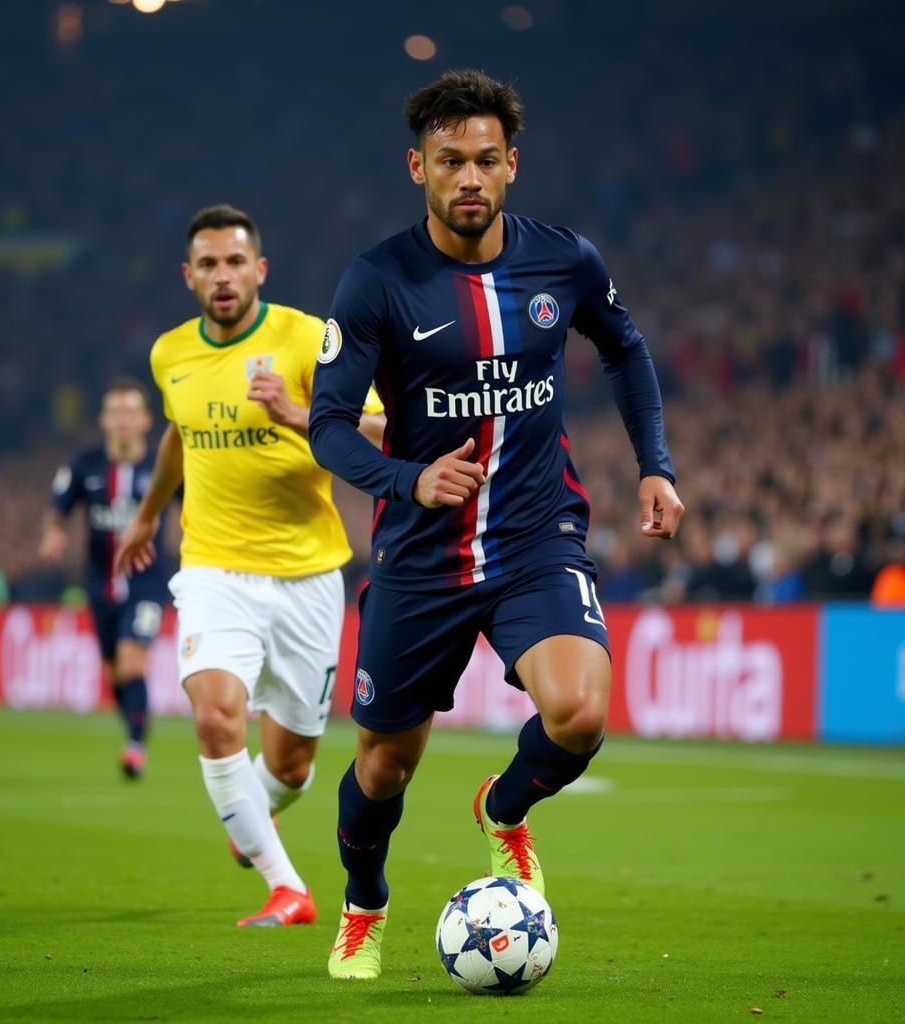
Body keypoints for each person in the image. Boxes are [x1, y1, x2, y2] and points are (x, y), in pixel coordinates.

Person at [309, 69, 685, 980]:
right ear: (418, 168)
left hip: (535, 539)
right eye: (449, 162)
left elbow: (626, 350)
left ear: (512, 164)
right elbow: (325, 423)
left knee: (581, 712)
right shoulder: (377, 281)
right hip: (421, 558)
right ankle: (365, 902)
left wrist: (657, 467)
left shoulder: (566, 262)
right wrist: (407, 476)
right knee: (382, 771)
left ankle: (503, 809)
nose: (468, 177)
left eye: (485, 160)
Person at [113, 204, 384, 928]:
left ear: (259, 269)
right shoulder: (171, 354)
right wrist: (146, 515)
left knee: (292, 764)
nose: (223, 276)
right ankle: (286, 886)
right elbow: (178, 432)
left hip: (308, 578)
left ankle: (249, 823)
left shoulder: (308, 339)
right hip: (212, 571)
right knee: (214, 717)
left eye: (236, 262)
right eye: (208, 264)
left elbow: (392, 430)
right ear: (189, 276)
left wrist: (301, 413)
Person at [39, 379, 169, 780]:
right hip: (100, 584)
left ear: (147, 420)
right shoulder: (85, 465)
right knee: (115, 672)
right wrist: (53, 532)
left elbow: (195, 502)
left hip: (147, 583)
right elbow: (57, 508)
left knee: (133, 661)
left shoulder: (163, 467)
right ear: (104, 420)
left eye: (132, 412)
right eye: (116, 412)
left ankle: (134, 746)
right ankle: (134, 726)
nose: (124, 420)